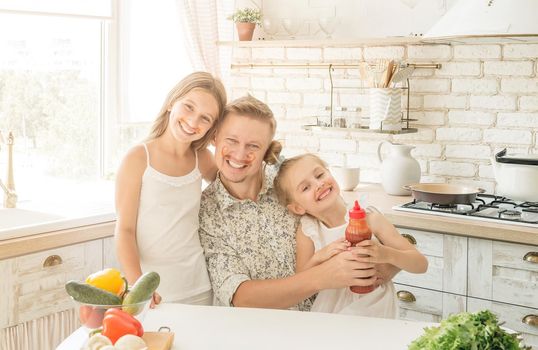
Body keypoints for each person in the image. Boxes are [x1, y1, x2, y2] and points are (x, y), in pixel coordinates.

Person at [199, 95, 401, 311]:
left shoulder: (293, 184)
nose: (240, 154)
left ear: (267, 151)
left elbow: (348, 225)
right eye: (231, 141)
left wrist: (390, 265)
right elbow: (240, 295)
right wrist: (322, 277)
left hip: (331, 318)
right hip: (262, 331)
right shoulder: (209, 210)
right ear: (214, 138)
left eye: (253, 146)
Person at [115, 72, 227, 306]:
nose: (193, 122)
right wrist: (138, 287)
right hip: (152, 291)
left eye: (205, 119)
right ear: (170, 103)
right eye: (188, 107)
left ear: (212, 128)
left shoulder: (202, 159)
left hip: (199, 285)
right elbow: (124, 230)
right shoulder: (138, 158)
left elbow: (235, 188)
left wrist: (225, 143)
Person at [273, 153, 428, 317]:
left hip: (376, 308)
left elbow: (420, 264)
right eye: (306, 187)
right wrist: (320, 256)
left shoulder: (370, 218)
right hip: (332, 310)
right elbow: (301, 279)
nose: (319, 184)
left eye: (320, 175)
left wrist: (386, 254)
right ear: (298, 208)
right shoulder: (308, 230)